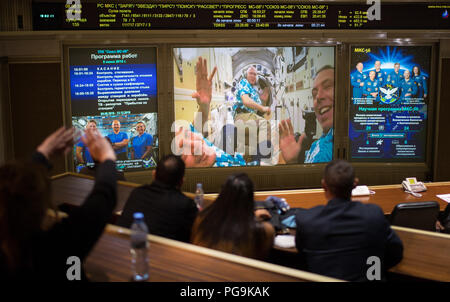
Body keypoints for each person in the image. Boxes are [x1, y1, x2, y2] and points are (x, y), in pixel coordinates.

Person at [0, 127, 117, 280]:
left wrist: (41, 155)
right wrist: (107, 158)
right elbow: (102, 199)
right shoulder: (54, 246)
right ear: (40, 206)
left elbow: (19, 185)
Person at [294, 160, 403, 281]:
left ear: (324, 185)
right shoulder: (374, 214)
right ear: (355, 184)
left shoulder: (307, 220)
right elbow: (396, 252)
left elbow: (303, 259)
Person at [191, 173, 275, 260]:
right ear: (250, 199)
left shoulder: (202, 218)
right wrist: (253, 218)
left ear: (222, 195)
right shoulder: (264, 231)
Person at [116, 155, 198, 243]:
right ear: (181, 182)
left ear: (154, 174)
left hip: (123, 248)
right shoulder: (187, 205)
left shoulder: (137, 193)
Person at [279, 66, 334, 164]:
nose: (318, 96)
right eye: (314, 94)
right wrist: (293, 161)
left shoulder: (334, 151)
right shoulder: (322, 140)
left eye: (328, 86)